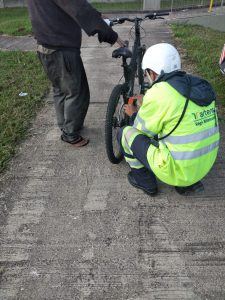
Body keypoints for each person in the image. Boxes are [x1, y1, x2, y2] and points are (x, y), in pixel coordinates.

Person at [117, 43, 220, 196]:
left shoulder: (159, 93)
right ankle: (187, 183)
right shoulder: (199, 84)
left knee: (125, 133)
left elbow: (140, 130)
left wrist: (134, 113)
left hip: (178, 171)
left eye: (147, 74)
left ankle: (145, 182)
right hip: (204, 166)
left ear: (152, 73)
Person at [27, 0, 124, 147]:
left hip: (44, 46)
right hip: (62, 49)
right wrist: (111, 35)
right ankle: (70, 133)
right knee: (77, 92)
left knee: (60, 89)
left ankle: (65, 126)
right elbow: (80, 9)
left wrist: (98, 16)